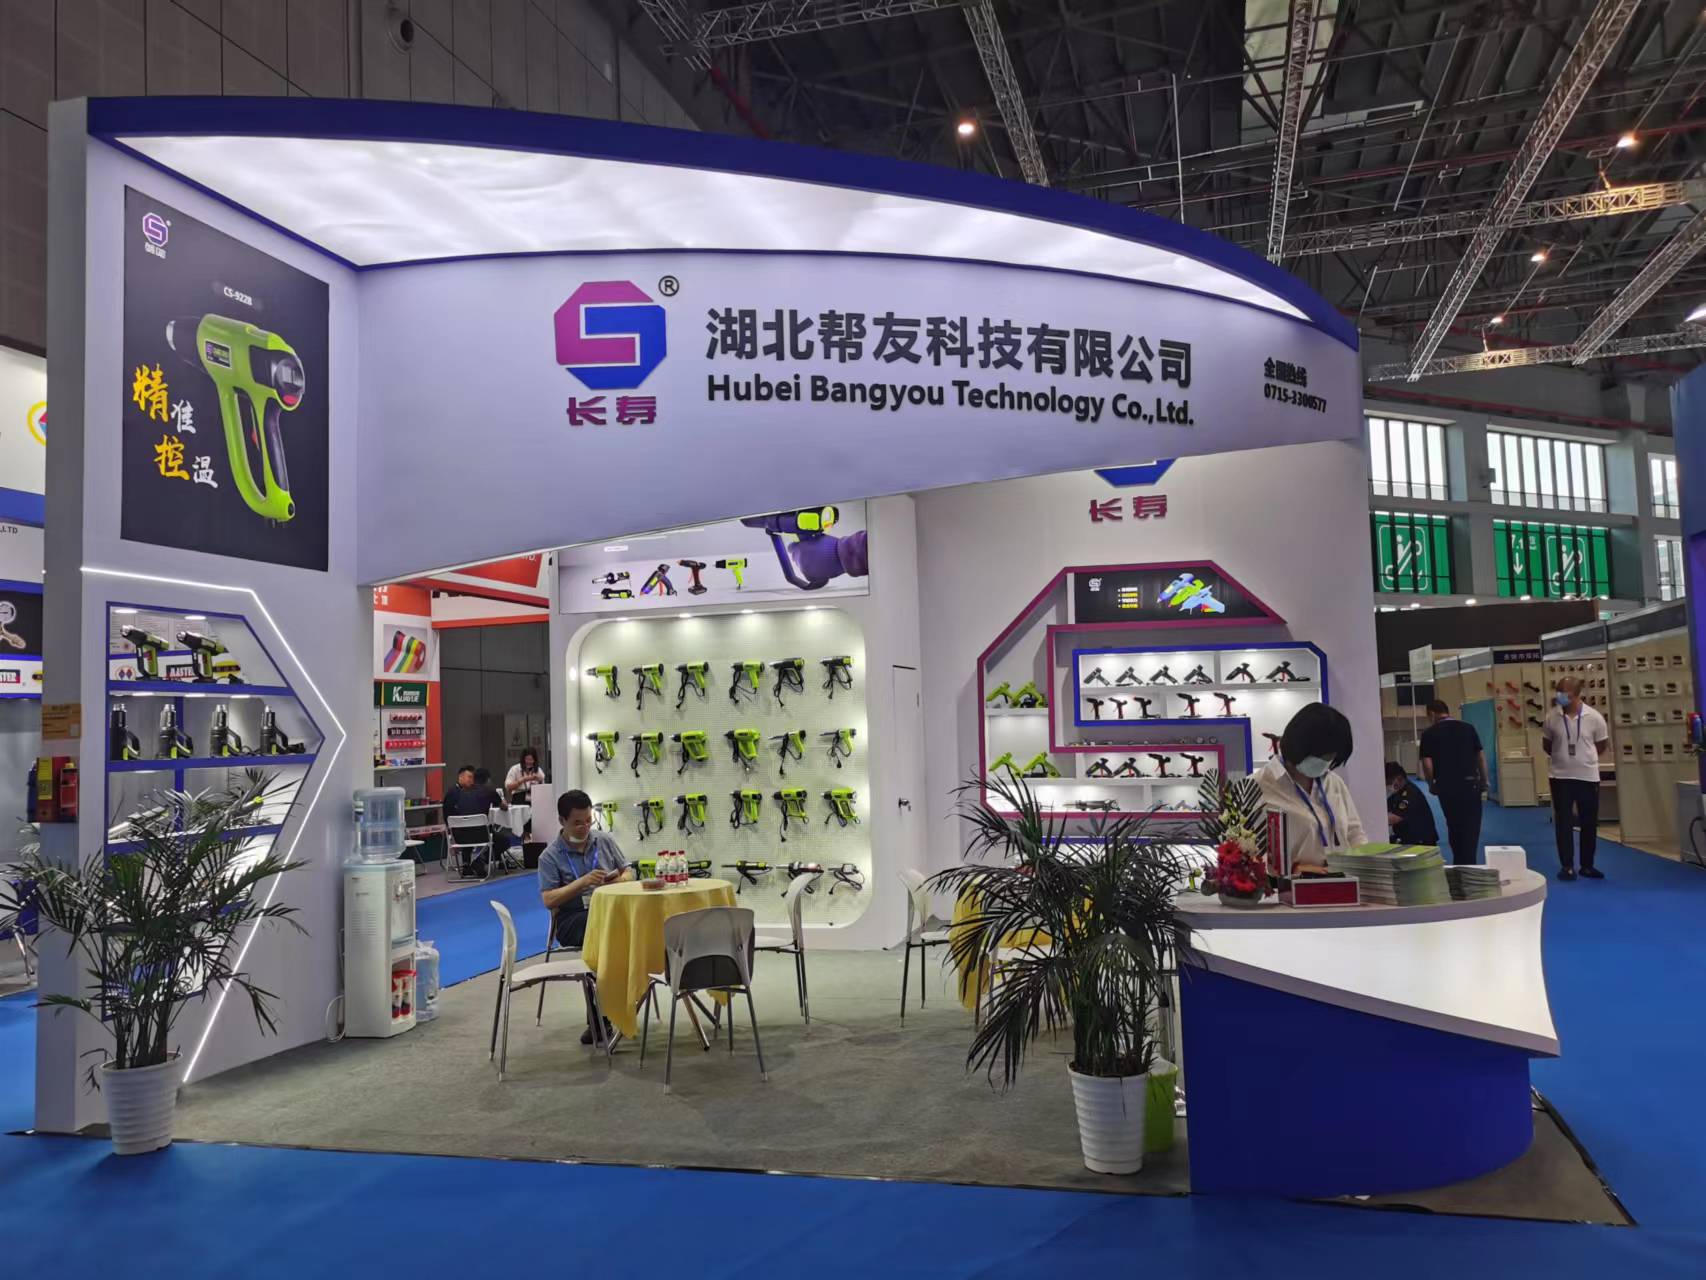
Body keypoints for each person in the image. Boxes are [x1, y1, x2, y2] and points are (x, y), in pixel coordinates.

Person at [538, 789, 632, 1043]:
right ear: (562, 821)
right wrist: (581, 883)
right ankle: (600, 1018)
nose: (585, 827)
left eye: (589, 820)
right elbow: (549, 900)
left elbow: (628, 873)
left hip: (609, 910)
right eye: (577, 823)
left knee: (623, 928)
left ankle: (625, 1002)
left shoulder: (604, 840)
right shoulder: (549, 857)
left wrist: (616, 882)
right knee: (601, 936)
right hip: (573, 919)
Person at [1257, 703, 1367, 875]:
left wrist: (1368, 869)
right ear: (1300, 745)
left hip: (1343, 883)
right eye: (1324, 755)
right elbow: (1246, 854)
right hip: (1288, 888)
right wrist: (1293, 871)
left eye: (1333, 757)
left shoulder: (1334, 783)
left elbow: (1354, 833)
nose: (1327, 762)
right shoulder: (1257, 786)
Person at [1542, 677, 1611, 881]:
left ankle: (1587, 865)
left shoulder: (1594, 717)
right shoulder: (1551, 716)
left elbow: (1601, 745)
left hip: (1587, 776)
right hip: (1560, 776)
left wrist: (1584, 758)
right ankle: (1567, 866)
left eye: (1565, 694)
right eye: (1558, 693)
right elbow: (1547, 745)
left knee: (1589, 822)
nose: (1560, 697)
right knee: (1563, 821)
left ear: (1577, 694)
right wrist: (1562, 757)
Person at [1417, 699, 1487, 865]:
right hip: (1470, 784)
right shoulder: (1468, 728)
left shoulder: (1429, 733)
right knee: (1471, 829)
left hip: (1447, 787)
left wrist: (1431, 784)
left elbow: (1427, 763)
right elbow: (1480, 757)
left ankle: (1459, 863)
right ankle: (1469, 864)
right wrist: (1484, 780)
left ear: (1432, 713)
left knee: (1454, 826)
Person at [1385, 762, 1439, 846]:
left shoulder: (1410, 794)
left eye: (1389, 783)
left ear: (1399, 779)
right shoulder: (1398, 791)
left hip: (1421, 842)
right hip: (1407, 835)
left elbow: (1394, 818)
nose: (1387, 786)